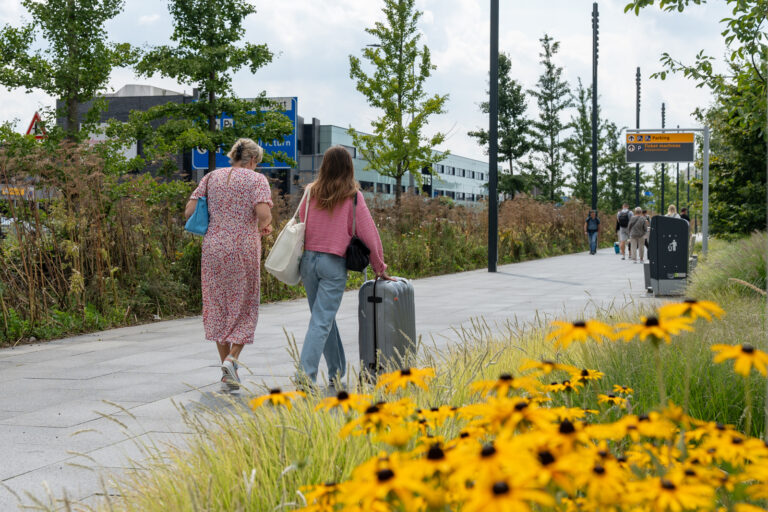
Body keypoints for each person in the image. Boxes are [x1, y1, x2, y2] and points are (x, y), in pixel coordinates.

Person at [297, 146, 391, 388]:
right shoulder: (353, 197)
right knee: (321, 320)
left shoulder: (309, 192)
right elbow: (369, 235)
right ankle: (304, 377)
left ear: (324, 165)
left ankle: (336, 372)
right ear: (349, 167)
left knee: (322, 318)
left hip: (308, 261)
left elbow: (301, 222)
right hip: (332, 264)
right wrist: (379, 267)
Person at [185, 138, 273, 392]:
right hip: (242, 248)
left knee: (217, 304)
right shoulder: (256, 180)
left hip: (213, 247)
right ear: (253, 160)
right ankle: (232, 359)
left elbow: (189, 210)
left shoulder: (211, 177)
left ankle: (227, 372)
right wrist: (263, 226)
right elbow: (263, 214)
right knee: (244, 303)